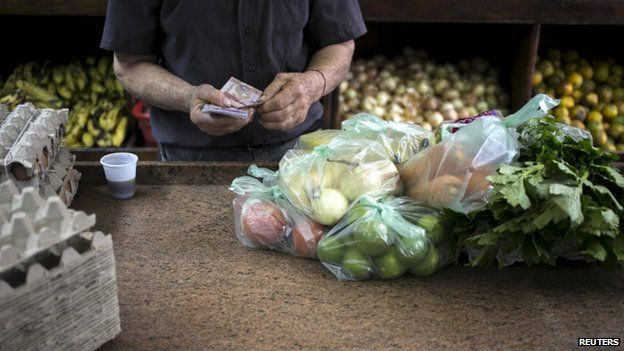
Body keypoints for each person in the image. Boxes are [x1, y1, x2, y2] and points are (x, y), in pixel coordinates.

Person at [101, 1, 366, 161]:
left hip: (299, 151)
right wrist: (188, 96)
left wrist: (311, 85)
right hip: (192, 157)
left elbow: (339, 44)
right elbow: (129, 64)